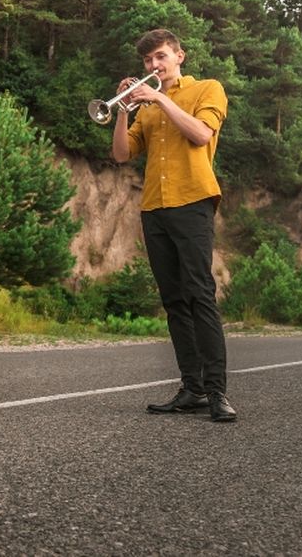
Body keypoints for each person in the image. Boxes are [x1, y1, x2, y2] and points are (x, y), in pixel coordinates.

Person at [110, 28, 236, 423]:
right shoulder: (144, 107)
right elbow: (121, 154)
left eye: (161, 57)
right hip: (155, 208)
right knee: (174, 301)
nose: (154, 66)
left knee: (199, 294)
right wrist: (122, 111)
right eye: (148, 61)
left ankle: (217, 391)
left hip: (193, 201)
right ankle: (191, 388)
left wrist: (159, 99)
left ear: (180, 56)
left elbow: (201, 135)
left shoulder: (207, 90)